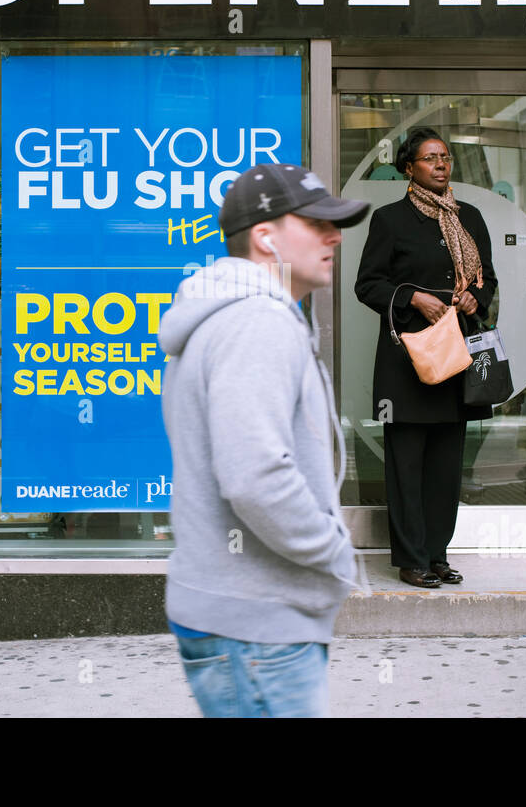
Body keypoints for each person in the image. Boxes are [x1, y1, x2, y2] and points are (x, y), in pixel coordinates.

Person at [158, 163, 369, 718]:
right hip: (256, 623)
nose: (334, 236)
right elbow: (254, 476)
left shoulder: (239, 316)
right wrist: (334, 552)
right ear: (266, 236)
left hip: (241, 615)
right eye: (316, 223)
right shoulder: (257, 323)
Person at [354, 127, 498, 589]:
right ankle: (410, 558)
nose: (441, 165)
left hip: (455, 356)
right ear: (409, 167)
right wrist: (413, 297)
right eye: (431, 158)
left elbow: (487, 279)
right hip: (408, 362)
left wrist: (477, 298)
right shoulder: (390, 219)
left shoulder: (469, 218)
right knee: (406, 465)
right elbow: (368, 284)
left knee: (445, 468)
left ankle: (437, 554)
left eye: (446, 157)